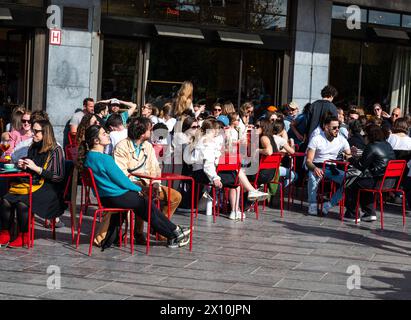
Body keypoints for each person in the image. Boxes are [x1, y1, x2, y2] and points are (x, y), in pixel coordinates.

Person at [78, 125, 190, 248]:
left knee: (145, 206)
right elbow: (122, 181)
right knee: (146, 205)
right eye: (104, 134)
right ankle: (174, 232)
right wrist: (141, 189)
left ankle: (173, 232)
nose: (108, 135)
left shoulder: (88, 157)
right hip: (116, 196)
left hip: (106, 197)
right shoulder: (104, 159)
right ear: (96, 140)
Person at [184, 119, 269, 220]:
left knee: (236, 174)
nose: (217, 133)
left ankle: (239, 207)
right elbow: (208, 164)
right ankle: (237, 208)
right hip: (205, 174)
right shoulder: (207, 142)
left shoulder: (202, 140)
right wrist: (215, 178)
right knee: (236, 177)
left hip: (200, 172)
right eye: (216, 131)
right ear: (211, 130)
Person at [114, 118, 182, 243]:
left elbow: (155, 168)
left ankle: (160, 228)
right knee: (144, 198)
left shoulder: (147, 146)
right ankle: (139, 233)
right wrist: (141, 187)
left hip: (149, 182)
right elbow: (121, 174)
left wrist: (156, 184)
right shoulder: (121, 147)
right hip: (131, 185)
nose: (152, 132)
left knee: (175, 197)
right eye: (150, 129)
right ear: (142, 133)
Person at [0, 120, 65, 247]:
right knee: (5, 200)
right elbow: (32, 169)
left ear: (45, 132)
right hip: (32, 184)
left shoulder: (55, 150)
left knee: (22, 203)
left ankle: (24, 235)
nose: (32, 134)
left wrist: (36, 168)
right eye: (33, 131)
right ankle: (5, 233)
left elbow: (58, 177)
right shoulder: (33, 146)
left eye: (36, 131)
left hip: (50, 190)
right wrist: (24, 165)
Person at [344, 125, 396, 222]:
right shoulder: (387, 144)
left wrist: (350, 158)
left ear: (369, 136)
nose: (363, 137)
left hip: (377, 182)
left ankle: (352, 214)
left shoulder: (371, 146)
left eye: (364, 135)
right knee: (362, 183)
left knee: (350, 182)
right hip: (390, 181)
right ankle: (369, 213)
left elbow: (361, 166)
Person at [305, 116, 351, 216]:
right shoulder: (316, 139)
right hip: (317, 165)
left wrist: (348, 154)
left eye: (338, 127)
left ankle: (329, 204)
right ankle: (312, 204)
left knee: (350, 181)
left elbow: (349, 154)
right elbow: (308, 161)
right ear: (326, 127)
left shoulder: (341, 139)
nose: (337, 130)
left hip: (332, 168)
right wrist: (314, 168)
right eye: (334, 128)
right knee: (312, 176)